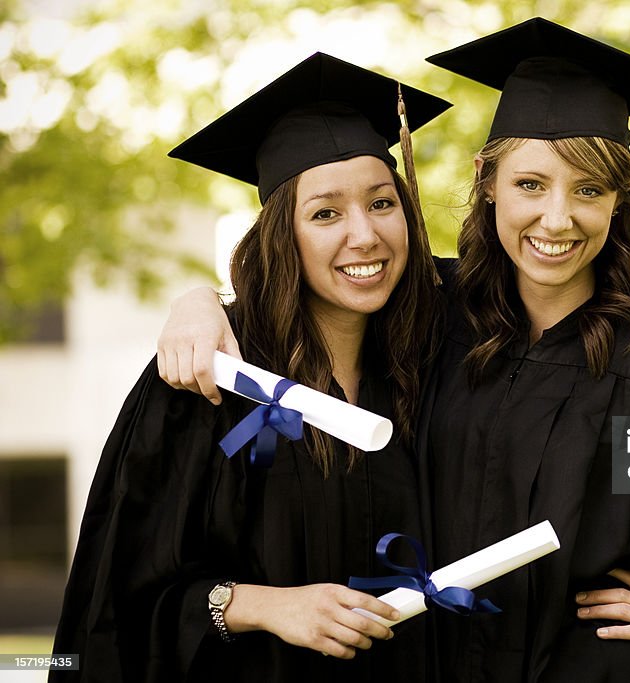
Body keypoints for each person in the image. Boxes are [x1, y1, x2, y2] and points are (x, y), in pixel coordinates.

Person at [156, 19, 630, 682]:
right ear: (487, 185)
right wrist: (197, 303)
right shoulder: (435, 325)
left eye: (589, 190)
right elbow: (316, 285)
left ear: (623, 200)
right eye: (530, 183)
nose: (559, 218)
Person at [51, 52, 450, 682]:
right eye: (325, 213)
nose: (365, 235)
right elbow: (119, 602)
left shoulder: (435, 354)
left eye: (382, 203)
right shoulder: (207, 380)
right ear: (280, 234)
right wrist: (263, 606)